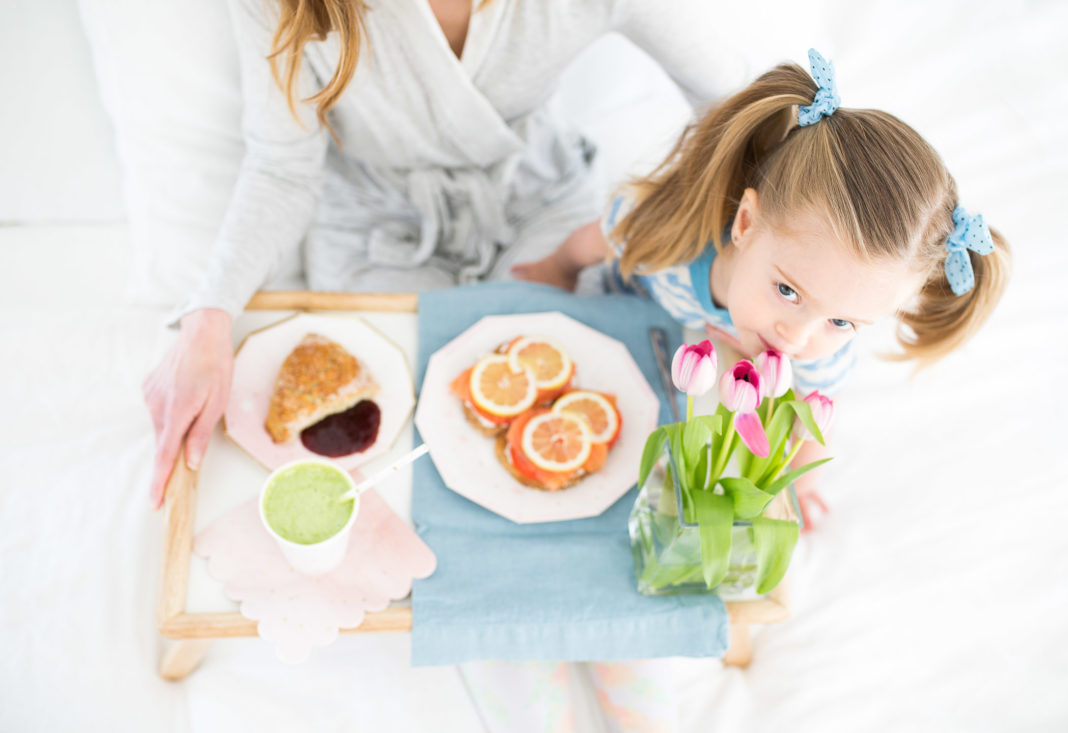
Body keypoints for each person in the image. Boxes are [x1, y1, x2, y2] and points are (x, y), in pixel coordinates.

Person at [143, 0, 750, 509]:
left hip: (538, 204)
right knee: (410, 456)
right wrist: (210, 315)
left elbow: (742, 110)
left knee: (603, 432)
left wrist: (754, 267)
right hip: (378, 228)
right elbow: (281, 170)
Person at [514, 49, 1011, 527]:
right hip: (625, 311)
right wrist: (557, 269)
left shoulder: (820, 355)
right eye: (789, 292)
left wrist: (804, 483)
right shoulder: (669, 243)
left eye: (841, 322)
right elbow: (600, 238)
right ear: (746, 222)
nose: (795, 337)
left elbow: (816, 420)